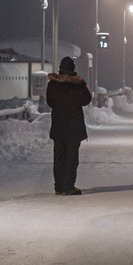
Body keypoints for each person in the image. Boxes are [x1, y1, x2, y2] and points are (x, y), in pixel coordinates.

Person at [46, 56, 92, 195]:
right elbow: (86, 100)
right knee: (71, 157)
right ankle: (68, 186)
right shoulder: (77, 84)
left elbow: (50, 102)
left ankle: (58, 186)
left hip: (58, 125)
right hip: (73, 126)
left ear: (60, 68)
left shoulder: (52, 84)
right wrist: (81, 84)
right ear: (72, 69)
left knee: (59, 156)